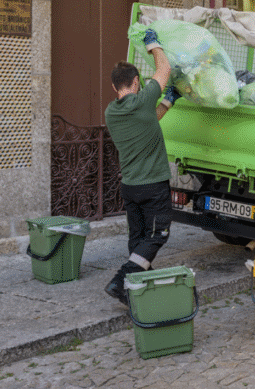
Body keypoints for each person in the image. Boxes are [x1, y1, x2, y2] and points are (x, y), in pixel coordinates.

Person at [103, 29, 180, 305]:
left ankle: (137, 290)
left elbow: (149, 121)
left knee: (137, 238)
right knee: (159, 234)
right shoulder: (143, 99)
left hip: (130, 187)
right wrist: (153, 44)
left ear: (115, 87)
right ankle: (121, 281)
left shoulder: (111, 112)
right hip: (153, 186)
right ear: (137, 82)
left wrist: (168, 102)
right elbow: (165, 68)